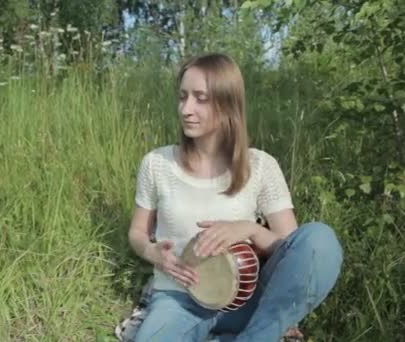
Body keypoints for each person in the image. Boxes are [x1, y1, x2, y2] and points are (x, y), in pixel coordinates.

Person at [127, 53, 343, 341]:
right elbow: (138, 232)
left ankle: (258, 334)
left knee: (319, 239)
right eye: (183, 96)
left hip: (249, 301)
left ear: (227, 103)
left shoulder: (262, 166)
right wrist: (152, 252)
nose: (186, 109)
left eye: (200, 98)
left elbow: (292, 252)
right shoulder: (156, 163)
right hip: (179, 300)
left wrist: (250, 229)